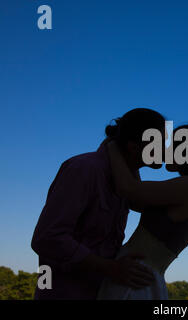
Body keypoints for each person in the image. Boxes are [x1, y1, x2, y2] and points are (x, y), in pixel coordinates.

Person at [31, 108, 166, 299]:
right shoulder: (84, 170)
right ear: (134, 147)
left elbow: (140, 200)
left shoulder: (121, 180)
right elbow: (47, 237)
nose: (165, 149)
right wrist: (110, 268)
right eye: (160, 142)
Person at [97, 124, 188, 299]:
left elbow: (127, 189)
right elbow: (136, 198)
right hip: (142, 278)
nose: (166, 150)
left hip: (133, 278)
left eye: (173, 145)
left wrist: (114, 146)